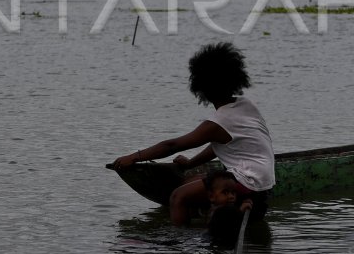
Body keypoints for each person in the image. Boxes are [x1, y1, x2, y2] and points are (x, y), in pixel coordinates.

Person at [111, 42, 274, 225]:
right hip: (265, 182)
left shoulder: (218, 122)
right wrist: (190, 163)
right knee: (190, 181)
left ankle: (180, 243)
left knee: (177, 197)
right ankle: (205, 218)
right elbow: (220, 145)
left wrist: (134, 157)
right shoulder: (246, 105)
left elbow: (172, 145)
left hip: (247, 181)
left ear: (201, 87)